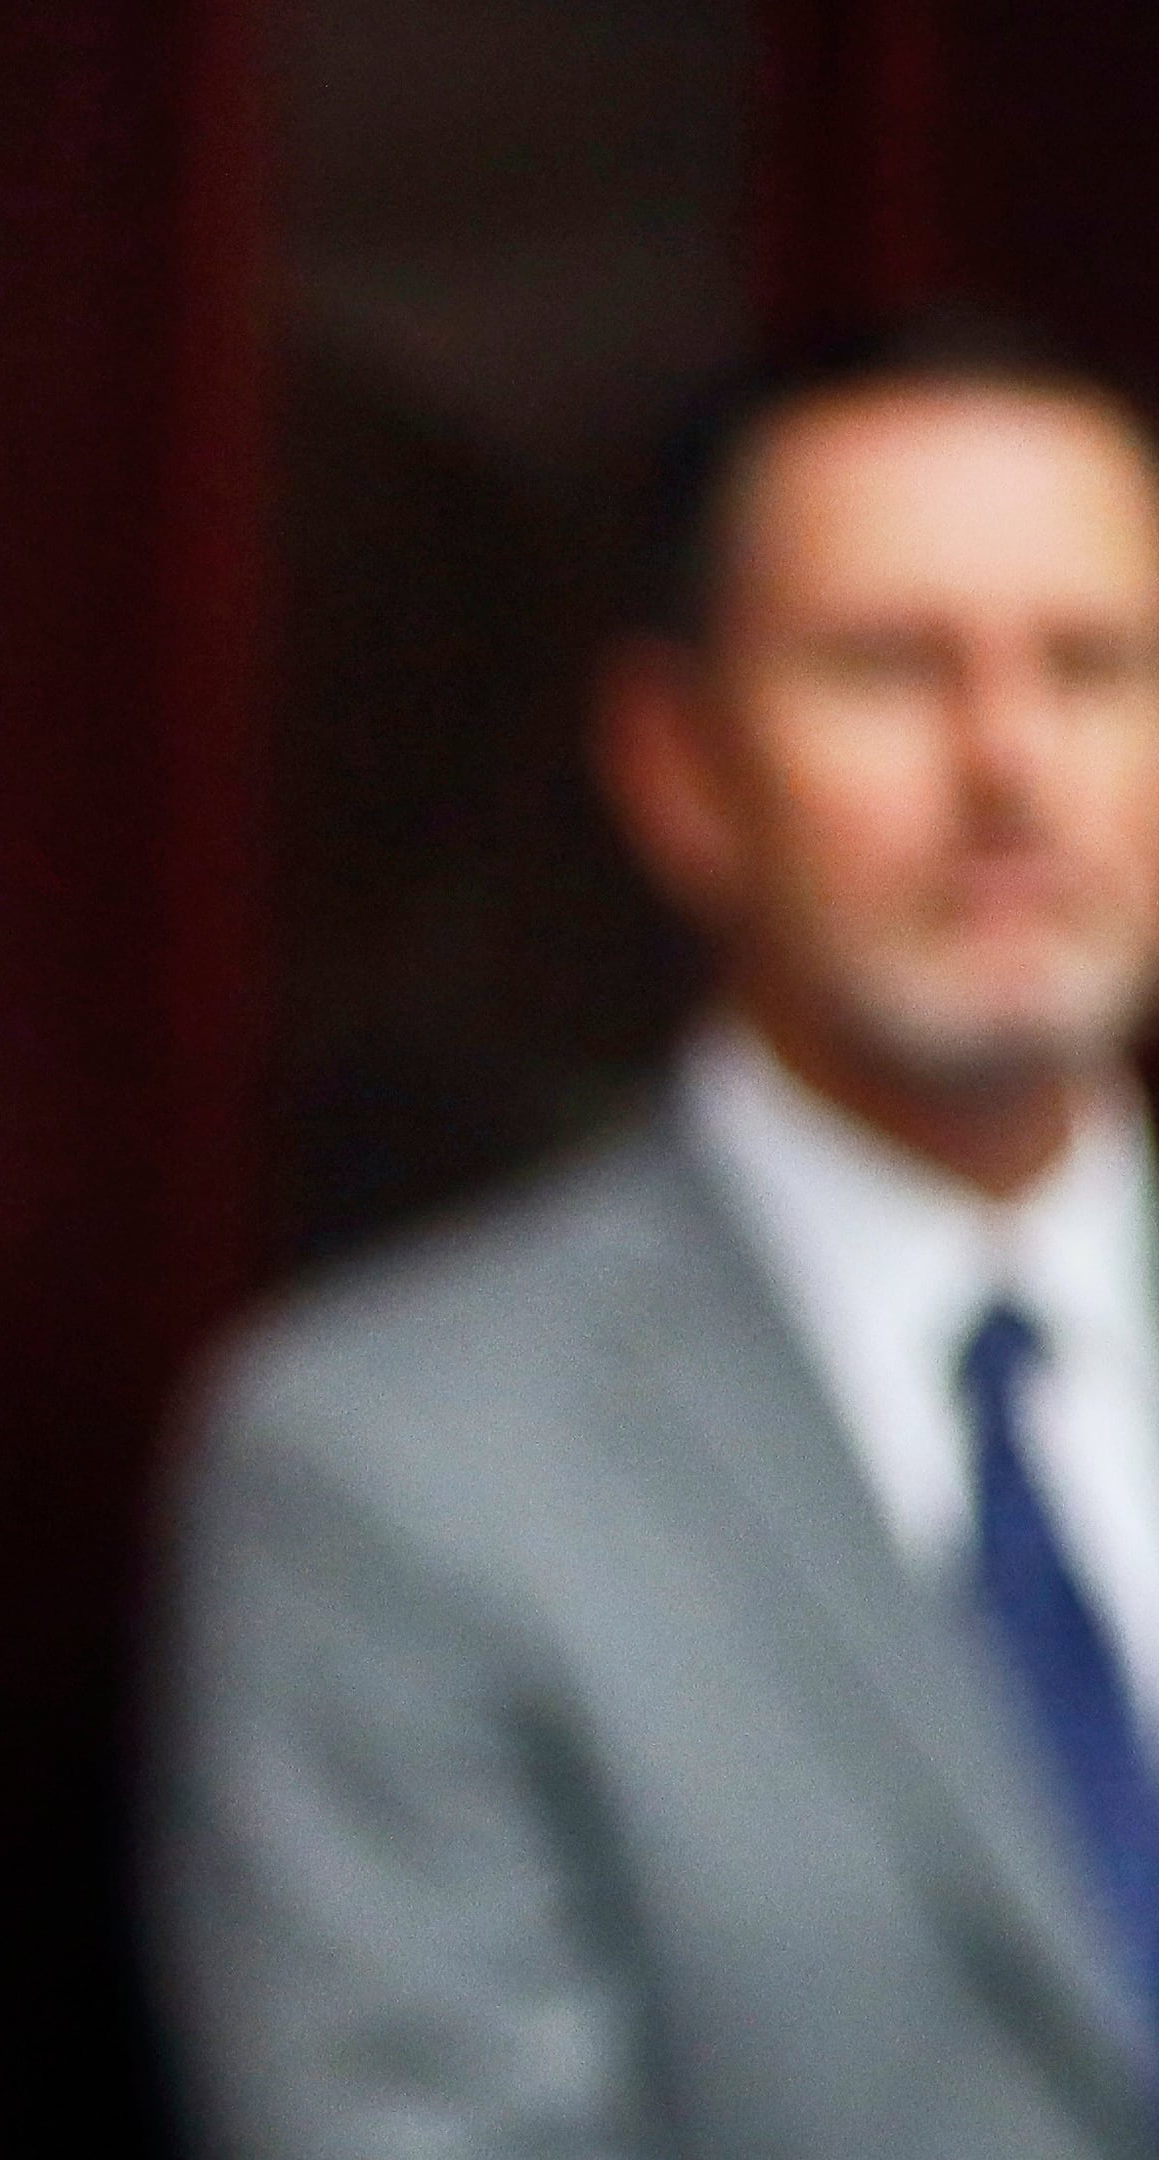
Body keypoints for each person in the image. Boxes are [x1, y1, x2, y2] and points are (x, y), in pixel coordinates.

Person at [155, 312, 1159, 2158]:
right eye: (890, 667)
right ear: (682, 760)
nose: (1012, 764)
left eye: (1096, 666)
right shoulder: (389, 1463)